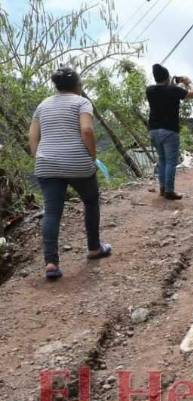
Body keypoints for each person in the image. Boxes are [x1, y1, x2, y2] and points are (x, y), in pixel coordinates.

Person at [28, 67, 111, 281]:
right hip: (77, 163)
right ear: (77, 85)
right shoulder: (82, 102)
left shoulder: (42, 105)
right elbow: (87, 131)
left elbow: (33, 137)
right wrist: (91, 156)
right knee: (91, 201)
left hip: (46, 164)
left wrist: (42, 158)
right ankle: (94, 247)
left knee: (52, 212)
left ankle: (51, 263)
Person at [146, 64, 193, 200]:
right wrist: (188, 82)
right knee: (170, 161)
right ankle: (169, 191)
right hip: (169, 130)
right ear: (167, 77)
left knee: (162, 160)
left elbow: (161, 89)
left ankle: (163, 188)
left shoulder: (149, 90)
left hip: (153, 130)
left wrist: (171, 83)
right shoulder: (173, 90)